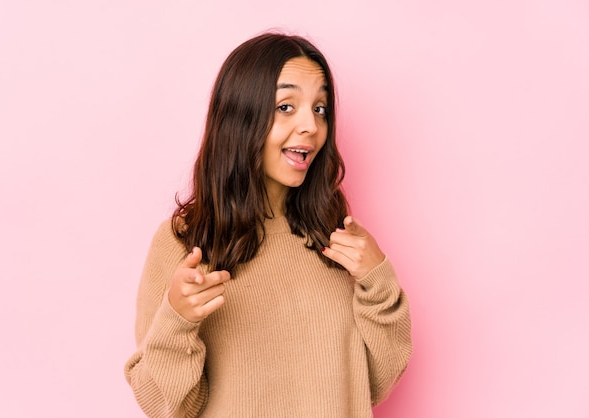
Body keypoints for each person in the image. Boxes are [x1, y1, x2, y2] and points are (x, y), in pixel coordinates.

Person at [124, 32, 412, 418]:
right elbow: (166, 407)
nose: (311, 125)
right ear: (241, 117)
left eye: (321, 108)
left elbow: (374, 384)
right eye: (286, 106)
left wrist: (378, 281)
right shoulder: (183, 244)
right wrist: (178, 320)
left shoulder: (335, 240)